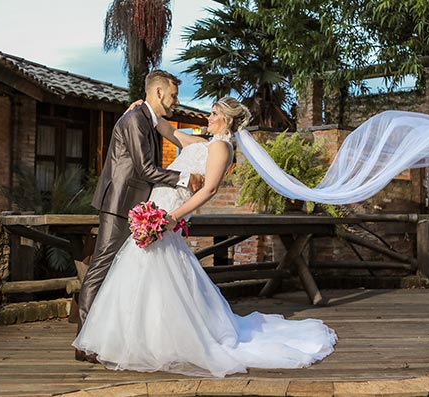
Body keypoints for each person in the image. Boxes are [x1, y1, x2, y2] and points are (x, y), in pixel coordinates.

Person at [72, 97, 337, 377]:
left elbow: (208, 190)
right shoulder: (203, 144)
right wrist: (142, 108)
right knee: (141, 276)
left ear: (227, 120)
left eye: (214, 114)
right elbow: (170, 131)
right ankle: (134, 336)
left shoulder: (222, 148)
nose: (208, 118)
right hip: (155, 212)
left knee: (151, 274)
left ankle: (152, 340)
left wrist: (173, 217)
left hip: (166, 217)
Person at [75, 70, 204, 363]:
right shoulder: (134, 120)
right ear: (158, 92)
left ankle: (106, 336)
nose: (176, 101)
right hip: (119, 204)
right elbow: (145, 169)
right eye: (173, 95)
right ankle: (84, 342)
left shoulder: (147, 119)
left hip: (133, 204)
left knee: (120, 270)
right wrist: (185, 179)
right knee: (101, 267)